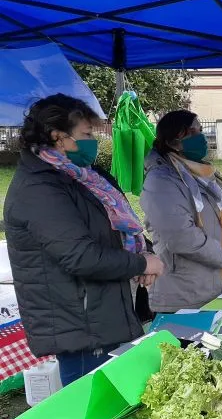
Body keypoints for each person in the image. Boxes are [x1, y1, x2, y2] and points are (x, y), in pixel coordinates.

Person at [4, 94, 164, 385]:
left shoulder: (84, 176)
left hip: (105, 315)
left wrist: (144, 254)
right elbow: (80, 256)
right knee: (93, 412)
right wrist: (141, 263)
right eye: (87, 134)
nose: (94, 140)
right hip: (81, 326)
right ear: (58, 137)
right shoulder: (39, 189)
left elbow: (118, 225)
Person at [140, 110, 222, 313]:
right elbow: (181, 237)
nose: (201, 137)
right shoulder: (162, 181)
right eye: (192, 132)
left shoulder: (205, 173)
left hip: (218, 281)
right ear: (173, 141)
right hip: (184, 294)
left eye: (201, 130)